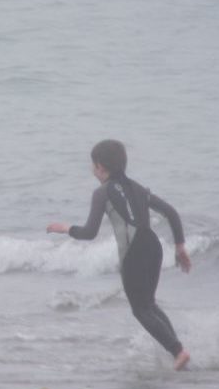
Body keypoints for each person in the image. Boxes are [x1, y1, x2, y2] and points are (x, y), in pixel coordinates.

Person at [46, 140, 192, 371]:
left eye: (93, 166)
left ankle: (178, 351)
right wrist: (180, 247)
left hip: (134, 251)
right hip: (154, 247)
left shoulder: (102, 193)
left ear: (100, 167)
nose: (92, 170)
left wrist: (66, 229)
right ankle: (178, 352)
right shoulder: (139, 188)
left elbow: (90, 232)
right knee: (149, 305)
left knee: (140, 309)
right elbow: (171, 213)